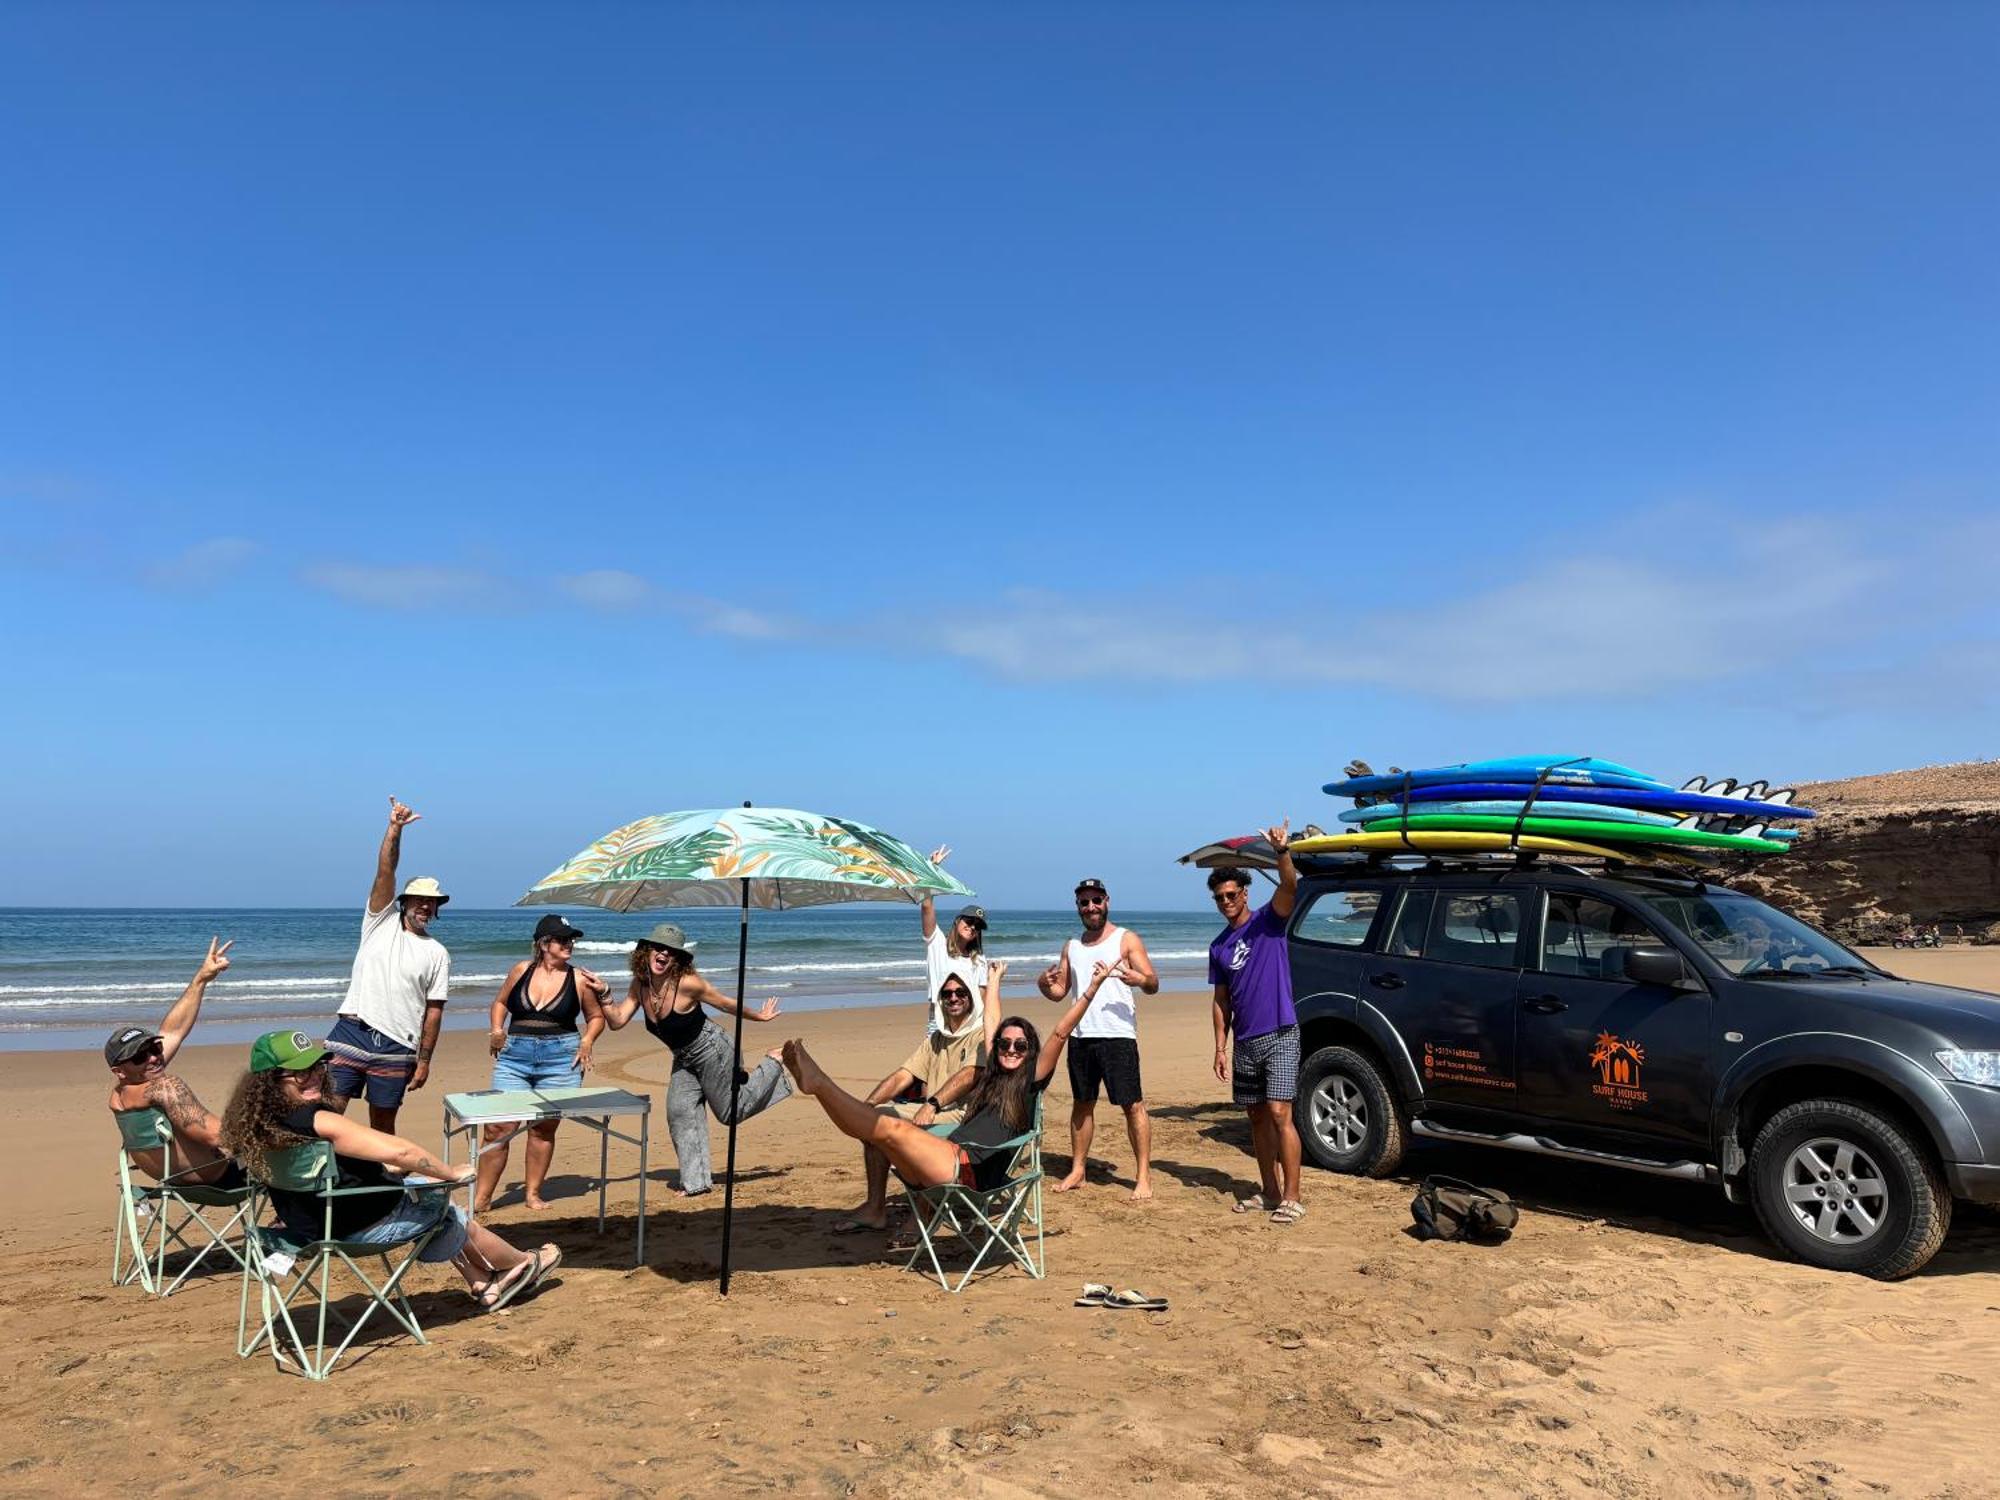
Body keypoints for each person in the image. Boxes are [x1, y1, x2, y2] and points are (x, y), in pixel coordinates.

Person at [221, 1029, 561, 1309]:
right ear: (270, 1080)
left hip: (309, 1230)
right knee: (443, 1202)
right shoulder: (319, 1121)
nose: (312, 1077)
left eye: (316, 1068)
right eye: (299, 1072)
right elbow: (402, 1150)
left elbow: (328, 1171)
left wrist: (396, 1171)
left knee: (420, 1186)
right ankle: (520, 1263)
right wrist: (450, 1174)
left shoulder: (255, 1127)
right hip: (362, 1229)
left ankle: (482, 1283)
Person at [780, 957, 1105, 1201]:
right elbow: (991, 1018)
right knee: (881, 1130)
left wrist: (1091, 989)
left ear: (1030, 1050)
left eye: (1020, 1046)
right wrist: (994, 981)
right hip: (944, 1154)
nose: (1009, 1050)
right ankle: (819, 1087)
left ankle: (819, 1084)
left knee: (893, 1128)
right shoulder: (992, 1071)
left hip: (967, 1170)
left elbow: (1061, 1032)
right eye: (1004, 1043)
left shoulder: (1031, 1080)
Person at [597, 923, 792, 1197]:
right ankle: (696, 1182)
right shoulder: (640, 985)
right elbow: (617, 1021)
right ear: (647, 951)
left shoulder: (688, 984)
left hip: (712, 1048)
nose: (663, 953)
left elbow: (725, 1003)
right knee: (679, 1111)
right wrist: (604, 994)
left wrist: (758, 1016)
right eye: (658, 947)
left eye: (670, 950)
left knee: (729, 1114)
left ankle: (772, 1063)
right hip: (683, 1056)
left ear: (677, 959)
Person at [834, 967, 997, 1233]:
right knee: (874, 1122)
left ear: (971, 998)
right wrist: (866, 1107)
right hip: (932, 1111)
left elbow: (969, 1075)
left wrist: (932, 1105)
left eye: (960, 992)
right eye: (947, 993)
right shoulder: (937, 1038)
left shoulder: (981, 1035)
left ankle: (925, 1212)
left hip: (963, 1118)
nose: (953, 998)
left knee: (907, 1132)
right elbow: (903, 1076)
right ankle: (875, 1208)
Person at [325, 797, 451, 1134]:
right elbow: (386, 870)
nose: (426, 906)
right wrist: (394, 828)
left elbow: (434, 1011)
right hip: (353, 1031)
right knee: (327, 1113)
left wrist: (424, 1062)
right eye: (420, 899)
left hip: (399, 1045)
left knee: (383, 1126)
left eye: (432, 902)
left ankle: (380, 1182)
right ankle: (320, 1181)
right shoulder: (380, 921)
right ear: (404, 901)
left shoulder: (437, 952)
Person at [473, 914, 611, 1213]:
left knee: (542, 1128)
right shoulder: (521, 970)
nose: (569, 945)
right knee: (498, 1127)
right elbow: (500, 1003)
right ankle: (482, 1198)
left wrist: (587, 1041)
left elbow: (596, 1018)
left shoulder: (579, 980)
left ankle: (532, 1194)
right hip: (514, 1058)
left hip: (561, 1059)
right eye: (563, 939)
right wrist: (497, 1030)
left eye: (571, 940)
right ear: (544, 943)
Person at [1208, 821, 1305, 1226]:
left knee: (1281, 1113)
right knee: (1257, 1117)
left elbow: (1289, 886)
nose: (1226, 901)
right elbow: (1221, 1000)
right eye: (1219, 898)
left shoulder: (1269, 921)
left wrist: (1282, 852)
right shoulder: (1219, 946)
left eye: (1232, 894)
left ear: (1245, 893)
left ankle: (1293, 1197)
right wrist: (1219, 1045)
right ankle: (1269, 1192)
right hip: (1245, 1042)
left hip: (1281, 1032)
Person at [1037, 877, 1159, 1200]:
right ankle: (1078, 1169)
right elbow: (1060, 991)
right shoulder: (1072, 947)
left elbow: (1153, 982)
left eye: (1096, 900)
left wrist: (1139, 978)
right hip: (1080, 1037)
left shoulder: (1126, 939)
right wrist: (1042, 983)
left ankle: (1143, 1175)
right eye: (1084, 902)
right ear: (1078, 907)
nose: (1091, 907)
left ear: (1107, 901)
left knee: (1132, 1105)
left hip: (1118, 1035)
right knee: (1082, 1104)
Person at [106, 937, 240, 1185]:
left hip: (171, 1182)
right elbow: (217, 1137)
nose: (154, 1058)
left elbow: (173, 1031)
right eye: (140, 1056)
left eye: (155, 1048)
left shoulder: (121, 1096)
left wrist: (201, 979)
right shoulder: (164, 1088)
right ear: (120, 1070)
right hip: (220, 1180)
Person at [919, 847, 987, 1038]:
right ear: (958, 921)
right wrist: (931, 868)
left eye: (978, 926)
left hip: (970, 1022)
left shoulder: (979, 959)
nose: (972, 927)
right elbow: (926, 906)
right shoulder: (937, 944)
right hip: (939, 1018)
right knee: (933, 1067)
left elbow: (982, 996)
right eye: (969, 921)